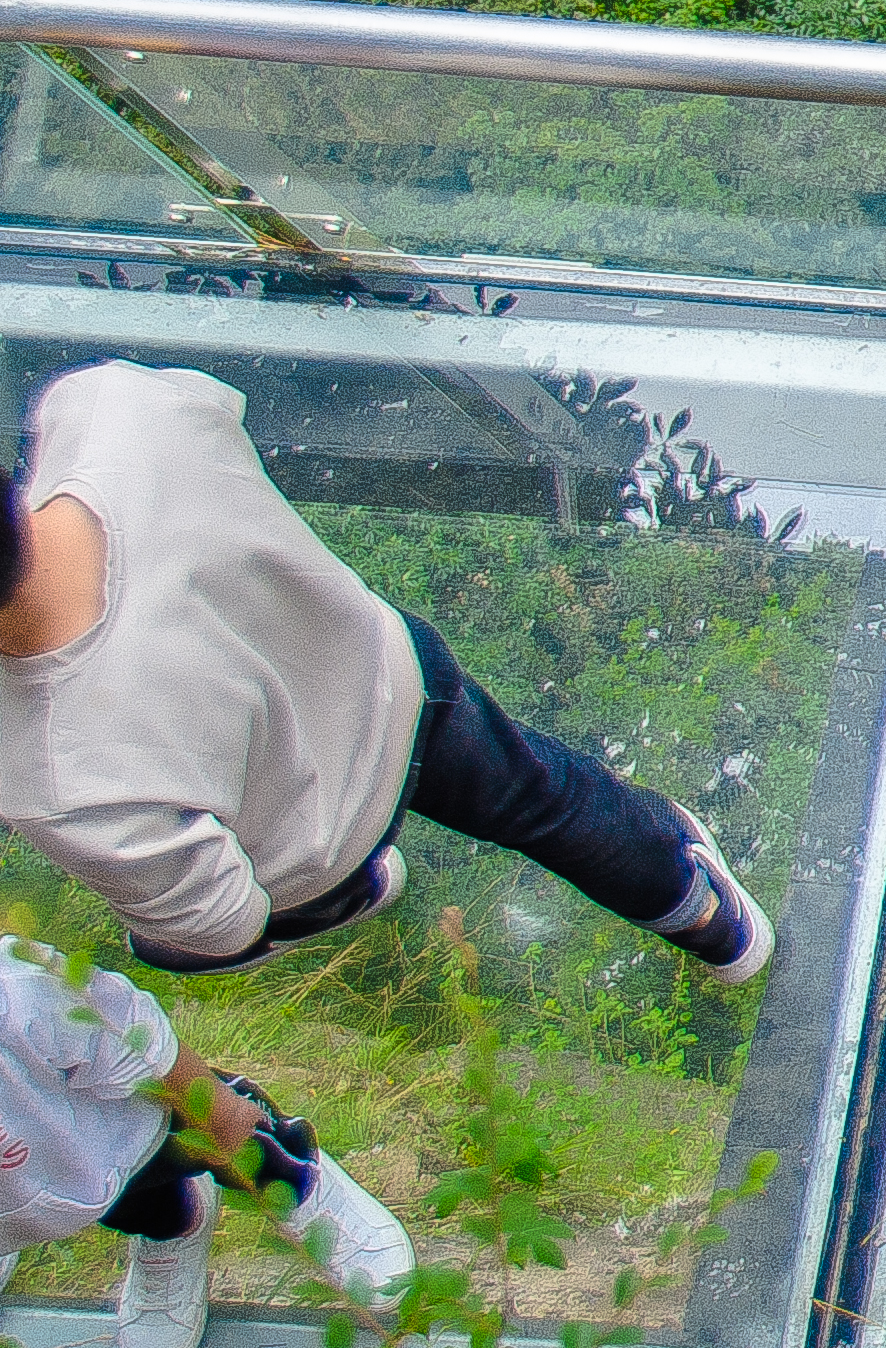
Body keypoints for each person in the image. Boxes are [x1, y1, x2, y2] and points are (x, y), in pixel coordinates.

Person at [0, 362, 772, 983]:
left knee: (166, 942)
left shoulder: (50, 776)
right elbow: (211, 411)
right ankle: (706, 916)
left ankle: (348, 897)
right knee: (544, 799)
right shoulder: (112, 409)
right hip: (390, 670)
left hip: (321, 847)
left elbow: (219, 920)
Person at [0, 929, 407, 1348]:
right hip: (38, 1186)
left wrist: (218, 1112)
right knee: (125, 1204)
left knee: (221, 1138)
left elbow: (118, 1025)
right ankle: (175, 1221)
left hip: (117, 1127)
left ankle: (295, 1173)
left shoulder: (13, 997)